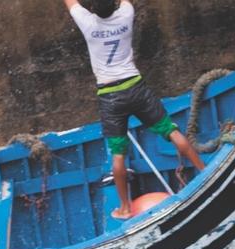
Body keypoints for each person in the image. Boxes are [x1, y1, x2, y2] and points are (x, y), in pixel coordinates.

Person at [62, 0, 205, 219]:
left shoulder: (87, 23)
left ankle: (125, 208)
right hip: (136, 88)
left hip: (110, 96)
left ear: (92, 9)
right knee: (172, 131)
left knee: (118, 155)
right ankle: (204, 173)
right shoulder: (126, 14)